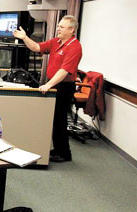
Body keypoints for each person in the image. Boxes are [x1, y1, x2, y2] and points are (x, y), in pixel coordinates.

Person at [13, 15, 82, 162]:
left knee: (59, 119)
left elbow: (64, 71)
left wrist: (49, 85)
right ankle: (59, 149)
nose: (58, 29)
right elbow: (37, 47)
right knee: (55, 119)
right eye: (58, 26)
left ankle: (64, 153)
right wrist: (24, 37)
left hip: (64, 86)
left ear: (71, 29)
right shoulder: (57, 42)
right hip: (55, 83)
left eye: (61, 27)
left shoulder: (75, 46)